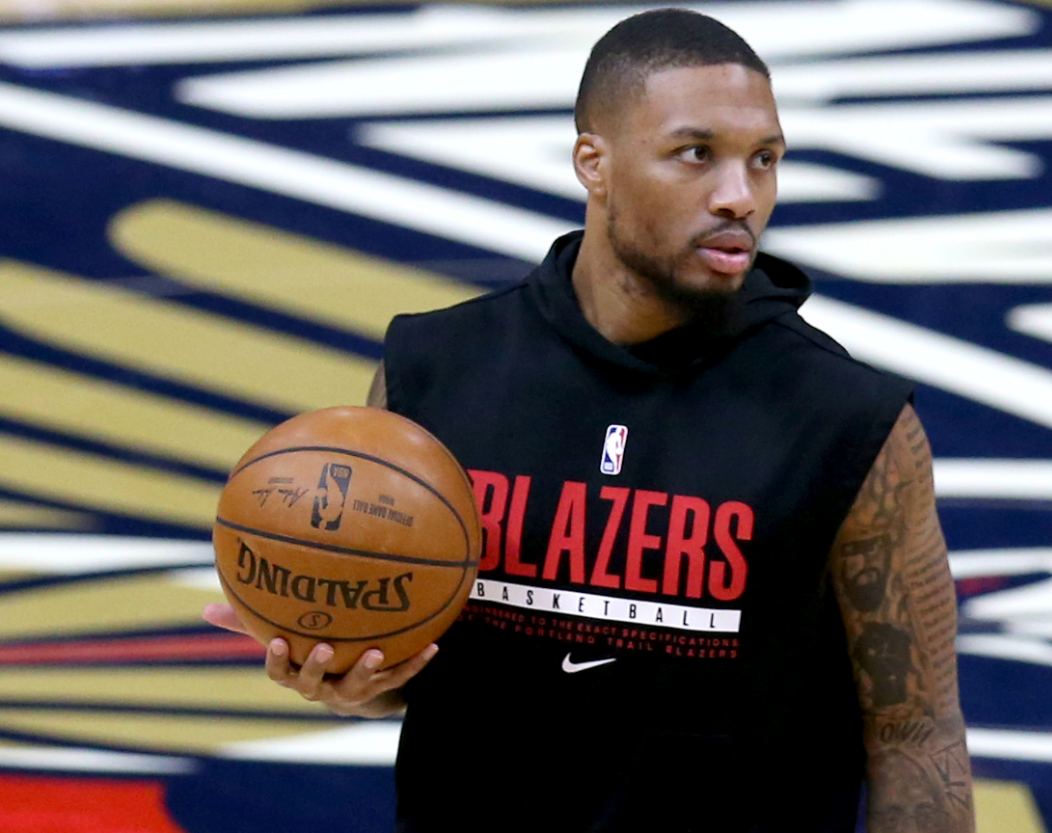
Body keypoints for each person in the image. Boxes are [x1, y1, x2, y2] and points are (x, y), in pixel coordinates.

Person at [206, 8, 973, 832]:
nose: (739, 196)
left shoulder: (849, 423)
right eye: (695, 154)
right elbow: (417, 668)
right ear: (593, 161)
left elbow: (914, 732)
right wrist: (353, 675)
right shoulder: (436, 368)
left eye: (765, 161)